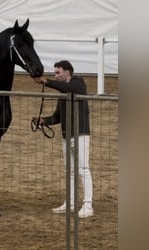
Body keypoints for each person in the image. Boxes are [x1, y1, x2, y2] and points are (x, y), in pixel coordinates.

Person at [34, 60, 93, 218]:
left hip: (80, 134)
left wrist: (46, 81)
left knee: (83, 170)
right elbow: (57, 117)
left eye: (58, 72)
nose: (56, 75)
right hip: (67, 136)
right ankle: (71, 203)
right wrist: (43, 121)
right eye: (54, 73)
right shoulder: (63, 94)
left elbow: (69, 88)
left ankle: (88, 205)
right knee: (71, 171)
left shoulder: (78, 83)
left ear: (67, 72)